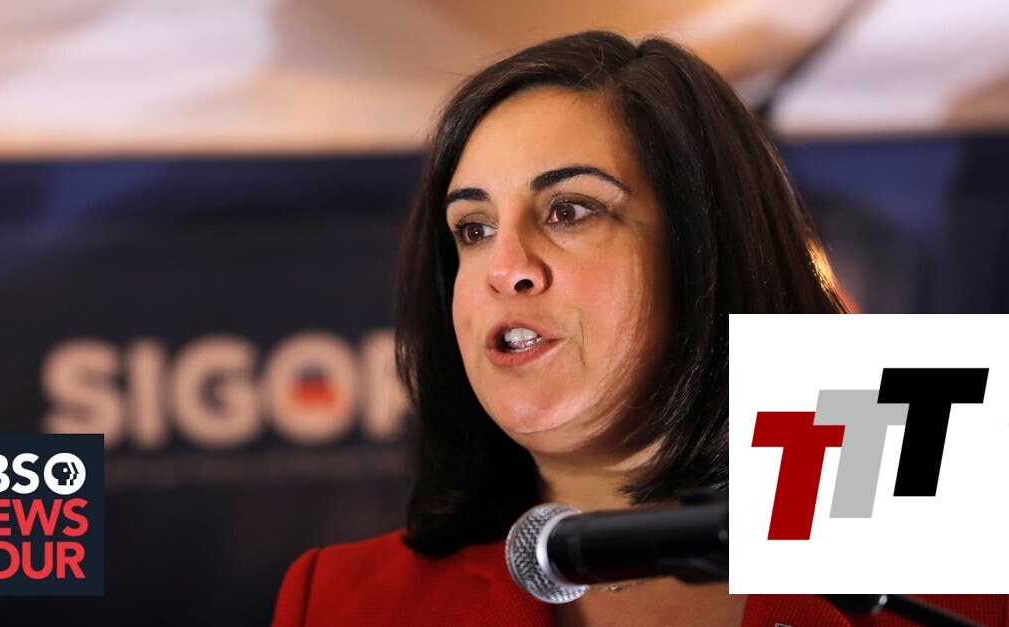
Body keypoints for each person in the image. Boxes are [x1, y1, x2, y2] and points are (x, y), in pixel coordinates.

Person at [272, 31, 1006, 626]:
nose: (506, 267)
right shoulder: (341, 600)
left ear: (704, 250)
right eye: (472, 228)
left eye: (569, 211)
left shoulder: (939, 543)